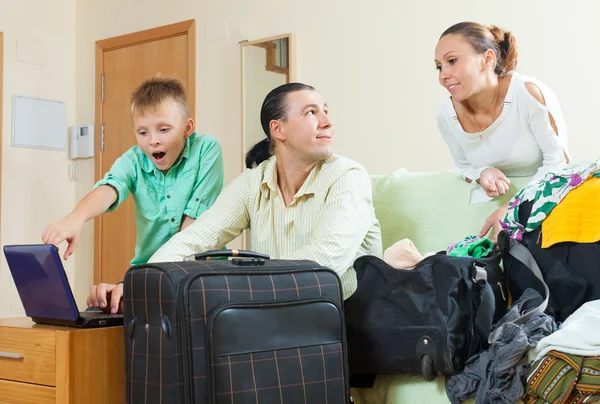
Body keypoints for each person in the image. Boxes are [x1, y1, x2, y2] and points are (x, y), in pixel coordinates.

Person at [88, 82, 382, 313]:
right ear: (277, 130)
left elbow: (324, 262)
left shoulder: (348, 176)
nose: (327, 122)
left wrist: (239, 286)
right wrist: (137, 285)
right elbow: (195, 237)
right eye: (311, 112)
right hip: (279, 317)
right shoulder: (253, 184)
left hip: (342, 319)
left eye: (326, 111)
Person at [42, 76, 224, 274]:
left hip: (200, 269)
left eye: (164, 129)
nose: (153, 141)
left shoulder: (207, 149)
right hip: (150, 270)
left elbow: (192, 226)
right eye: (142, 132)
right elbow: (109, 187)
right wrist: (76, 218)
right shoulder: (134, 159)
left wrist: (156, 278)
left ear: (187, 128)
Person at [434, 21, 569, 240]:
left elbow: (559, 164)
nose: (443, 75)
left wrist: (512, 207)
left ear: (487, 59)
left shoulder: (528, 94)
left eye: (452, 61)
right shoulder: (446, 115)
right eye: (439, 66)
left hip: (542, 204)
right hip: (485, 212)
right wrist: (482, 173)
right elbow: (462, 166)